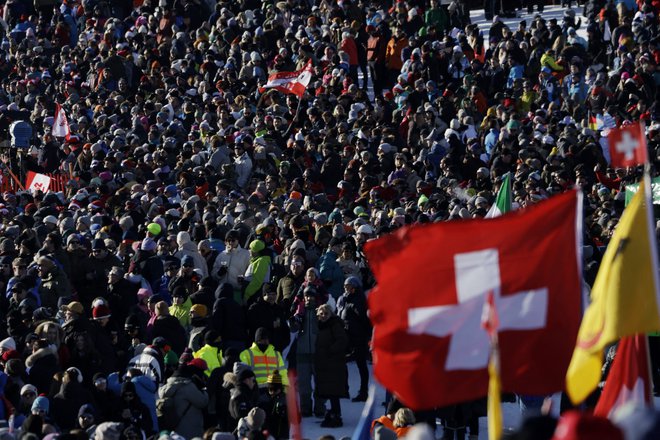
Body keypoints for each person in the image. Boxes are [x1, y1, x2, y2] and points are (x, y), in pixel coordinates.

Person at [336, 275, 371, 402]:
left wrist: (350, 307)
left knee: (361, 365)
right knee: (341, 362)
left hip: (358, 337)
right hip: (347, 336)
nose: (346, 288)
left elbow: (362, 316)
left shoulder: (360, 300)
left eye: (348, 286)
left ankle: (364, 391)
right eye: (345, 286)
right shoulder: (345, 299)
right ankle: (343, 388)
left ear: (354, 287)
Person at [315, 304, 348, 428]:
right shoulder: (321, 326)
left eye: (326, 313)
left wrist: (330, 350)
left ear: (331, 314)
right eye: (321, 314)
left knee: (334, 392)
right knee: (329, 391)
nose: (323, 316)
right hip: (325, 364)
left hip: (334, 363)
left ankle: (336, 415)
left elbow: (342, 340)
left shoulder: (334, 324)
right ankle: (333, 413)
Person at [157, 359, 209, 439]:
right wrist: (203, 390)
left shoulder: (168, 385)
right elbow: (203, 402)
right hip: (189, 429)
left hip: (174, 430)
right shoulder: (187, 386)